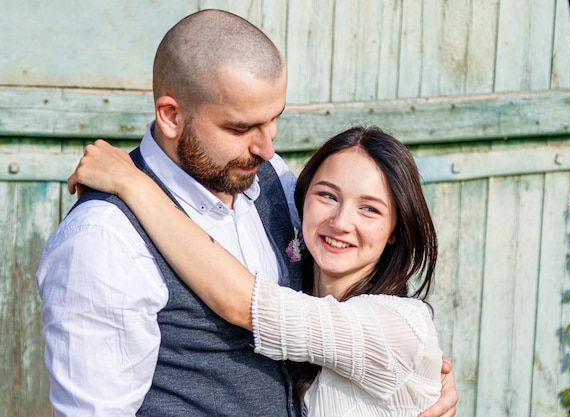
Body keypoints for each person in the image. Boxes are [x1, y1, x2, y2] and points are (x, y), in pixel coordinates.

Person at [36, 8, 457, 417]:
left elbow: (256, 306)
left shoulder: (270, 178)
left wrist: (413, 373)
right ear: (171, 116)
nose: (266, 148)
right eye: (239, 128)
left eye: (273, 121)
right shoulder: (104, 238)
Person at [68, 125, 444, 416]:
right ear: (302, 201)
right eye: (327, 195)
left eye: (370, 209)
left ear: (396, 230)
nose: (341, 221)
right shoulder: (301, 285)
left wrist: (131, 182)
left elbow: (241, 301)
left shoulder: (401, 327)